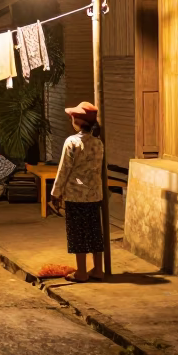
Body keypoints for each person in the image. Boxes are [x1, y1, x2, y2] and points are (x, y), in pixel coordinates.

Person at [50, 101, 105, 283]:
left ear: (77, 121)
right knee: (95, 232)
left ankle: (81, 272)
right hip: (94, 195)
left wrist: (56, 192)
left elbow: (64, 169)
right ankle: (98, 269)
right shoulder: (98, 143)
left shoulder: (72, 142)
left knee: (78, 234)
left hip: (76, 195)